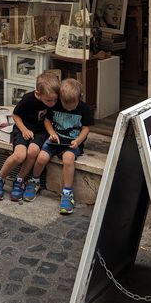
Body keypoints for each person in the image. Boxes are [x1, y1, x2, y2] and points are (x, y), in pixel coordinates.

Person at [23, 78, 94, 214]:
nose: (67, 108)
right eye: (65, 104)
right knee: (42, 157)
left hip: (72, 143)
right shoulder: (55, 105)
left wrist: (78, 141)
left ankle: (67, 192)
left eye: (71, 106)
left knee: (68, 159)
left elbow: (86, 128)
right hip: (54, 140)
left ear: (79, 98)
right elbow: (47, 121)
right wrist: (51, 133)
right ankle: (34, 181)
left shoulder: (84, 108)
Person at [0, 72, 60, 201]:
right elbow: (15, 115)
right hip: (23, 128)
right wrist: (24, 130)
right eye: (49, 100)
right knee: (20, 155)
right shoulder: (28, 99)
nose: (53, 103)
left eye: (55, 100)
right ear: (38, 94)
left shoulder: (54, 101)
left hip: (40, 132)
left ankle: (20, 179)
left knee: (33, 151)